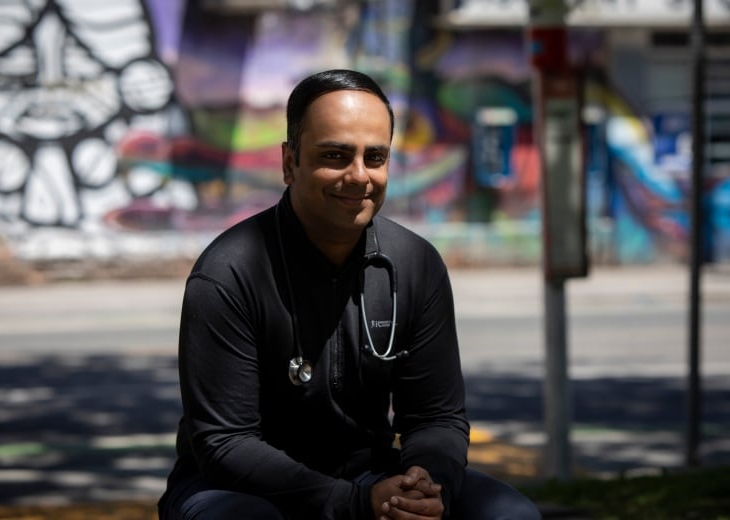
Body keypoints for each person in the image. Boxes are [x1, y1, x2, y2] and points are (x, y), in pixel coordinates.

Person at [159, 69, 541, 520]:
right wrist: (354, 505)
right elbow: (224, 443)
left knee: (509, 514)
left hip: (369, 477)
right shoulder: (229, 272)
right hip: (239, 490)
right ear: (289, 162)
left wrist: (424, 483)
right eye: (335, 155)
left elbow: (437, 419)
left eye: (374, 157)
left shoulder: (414, 264)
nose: (359, 176)